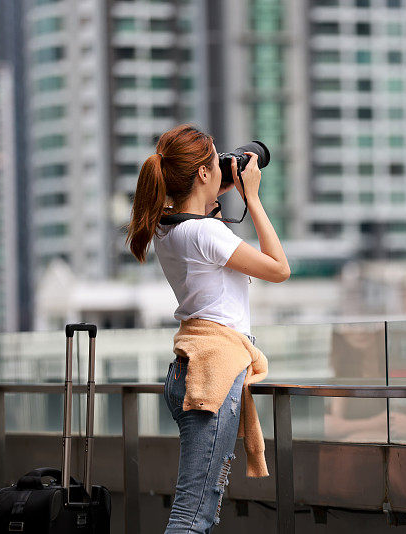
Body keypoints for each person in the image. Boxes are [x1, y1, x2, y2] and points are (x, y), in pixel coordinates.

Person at [124, 124, 289, 533]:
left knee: (197, 508)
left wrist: (215, 193)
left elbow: (199, 229)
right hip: (212, 375)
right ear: (201, 174)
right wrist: (252, 196)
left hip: (187, 370)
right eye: (216, 162)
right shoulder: (205, 232)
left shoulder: (169, 229)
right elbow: (279, 268)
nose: (223, 167)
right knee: (193, 513)